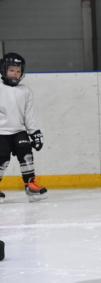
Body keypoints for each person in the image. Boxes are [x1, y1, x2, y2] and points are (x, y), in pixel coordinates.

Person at [0, 52, 47, 203]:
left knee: (26, 154)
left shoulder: (25, 91)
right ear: (3, 70)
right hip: (1, 132)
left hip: (19, 131)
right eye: (12, 70)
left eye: (18, 71)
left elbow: (29, 115)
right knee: (2, 159)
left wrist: (35, 133)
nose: (15, 74)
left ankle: (30, 184)